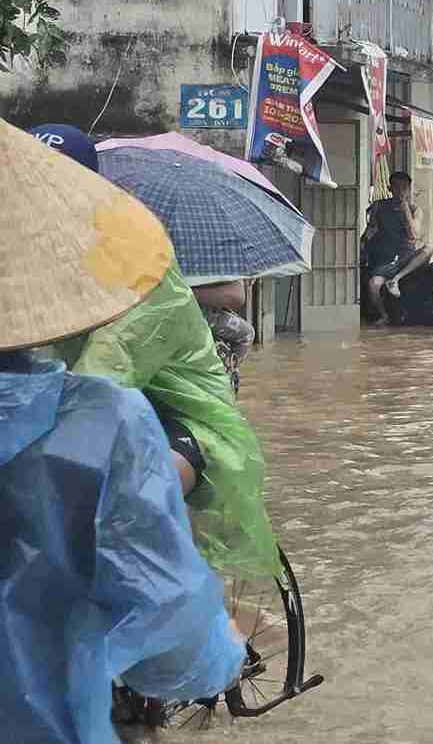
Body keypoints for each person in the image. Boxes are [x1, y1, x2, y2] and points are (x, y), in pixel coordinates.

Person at [2, 117, 246, 744]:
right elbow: (178, 640)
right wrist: (216, 651)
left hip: (189, 424)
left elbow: (108, 368)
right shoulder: (99, 423)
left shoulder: (144, 277)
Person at [26, 125, 280, 582]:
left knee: (119, 510)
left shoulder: (141, 268)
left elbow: (101, 378)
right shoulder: (32, 261)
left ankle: (209, 638)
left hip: (182, 420)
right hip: (97, 406)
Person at [362, 171, 433, 320]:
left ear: (409, 189)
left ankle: (395, 280)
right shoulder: (379, 206)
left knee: (428, 249)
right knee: (373, 285)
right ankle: (383, 316)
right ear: (390, 188)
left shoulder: (415, 210)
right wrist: (362, 246)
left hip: (406, 258)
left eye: (404, 187)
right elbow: (370, 230)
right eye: (397, 187)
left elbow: (414, 234)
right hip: (386, 259)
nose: (400, 191)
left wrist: (405, 208)